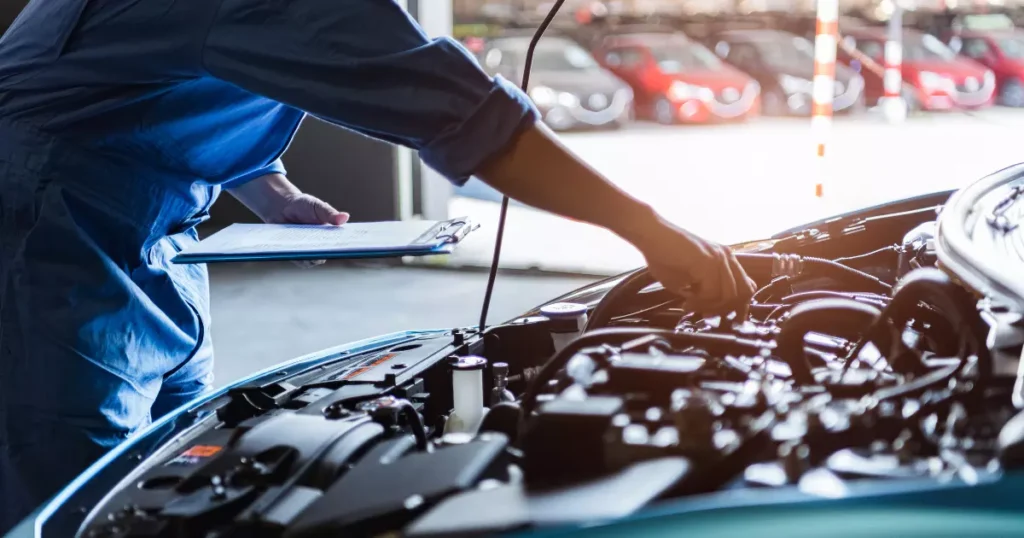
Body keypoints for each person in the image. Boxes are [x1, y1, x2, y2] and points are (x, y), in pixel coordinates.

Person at [0, 0, 756, 530]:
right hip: (47, 227)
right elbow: (468, 117)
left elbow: (142, 77)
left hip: (134, 222)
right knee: (74, 489)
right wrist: (650, 230)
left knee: (171, 468)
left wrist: (268, 188)